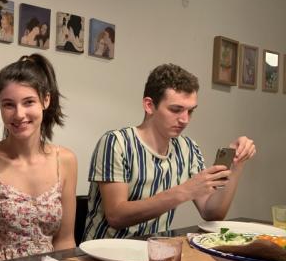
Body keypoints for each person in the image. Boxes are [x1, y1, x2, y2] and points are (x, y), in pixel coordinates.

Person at [83, 63, 256, 240]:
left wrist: (236, 165)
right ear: (149, 105)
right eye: (176, 110)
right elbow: (116, 216)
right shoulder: (116, 142)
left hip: (153, 252)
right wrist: (183, 191)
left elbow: (211, 213)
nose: (185, 120)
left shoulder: (188, 147)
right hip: (103, 255)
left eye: (190, 111)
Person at [0, 54, 77, 260]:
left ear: (46, 100)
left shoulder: (66, 160)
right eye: (9, 105)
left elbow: (65, 241)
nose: (19, 114)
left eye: (28, 102)